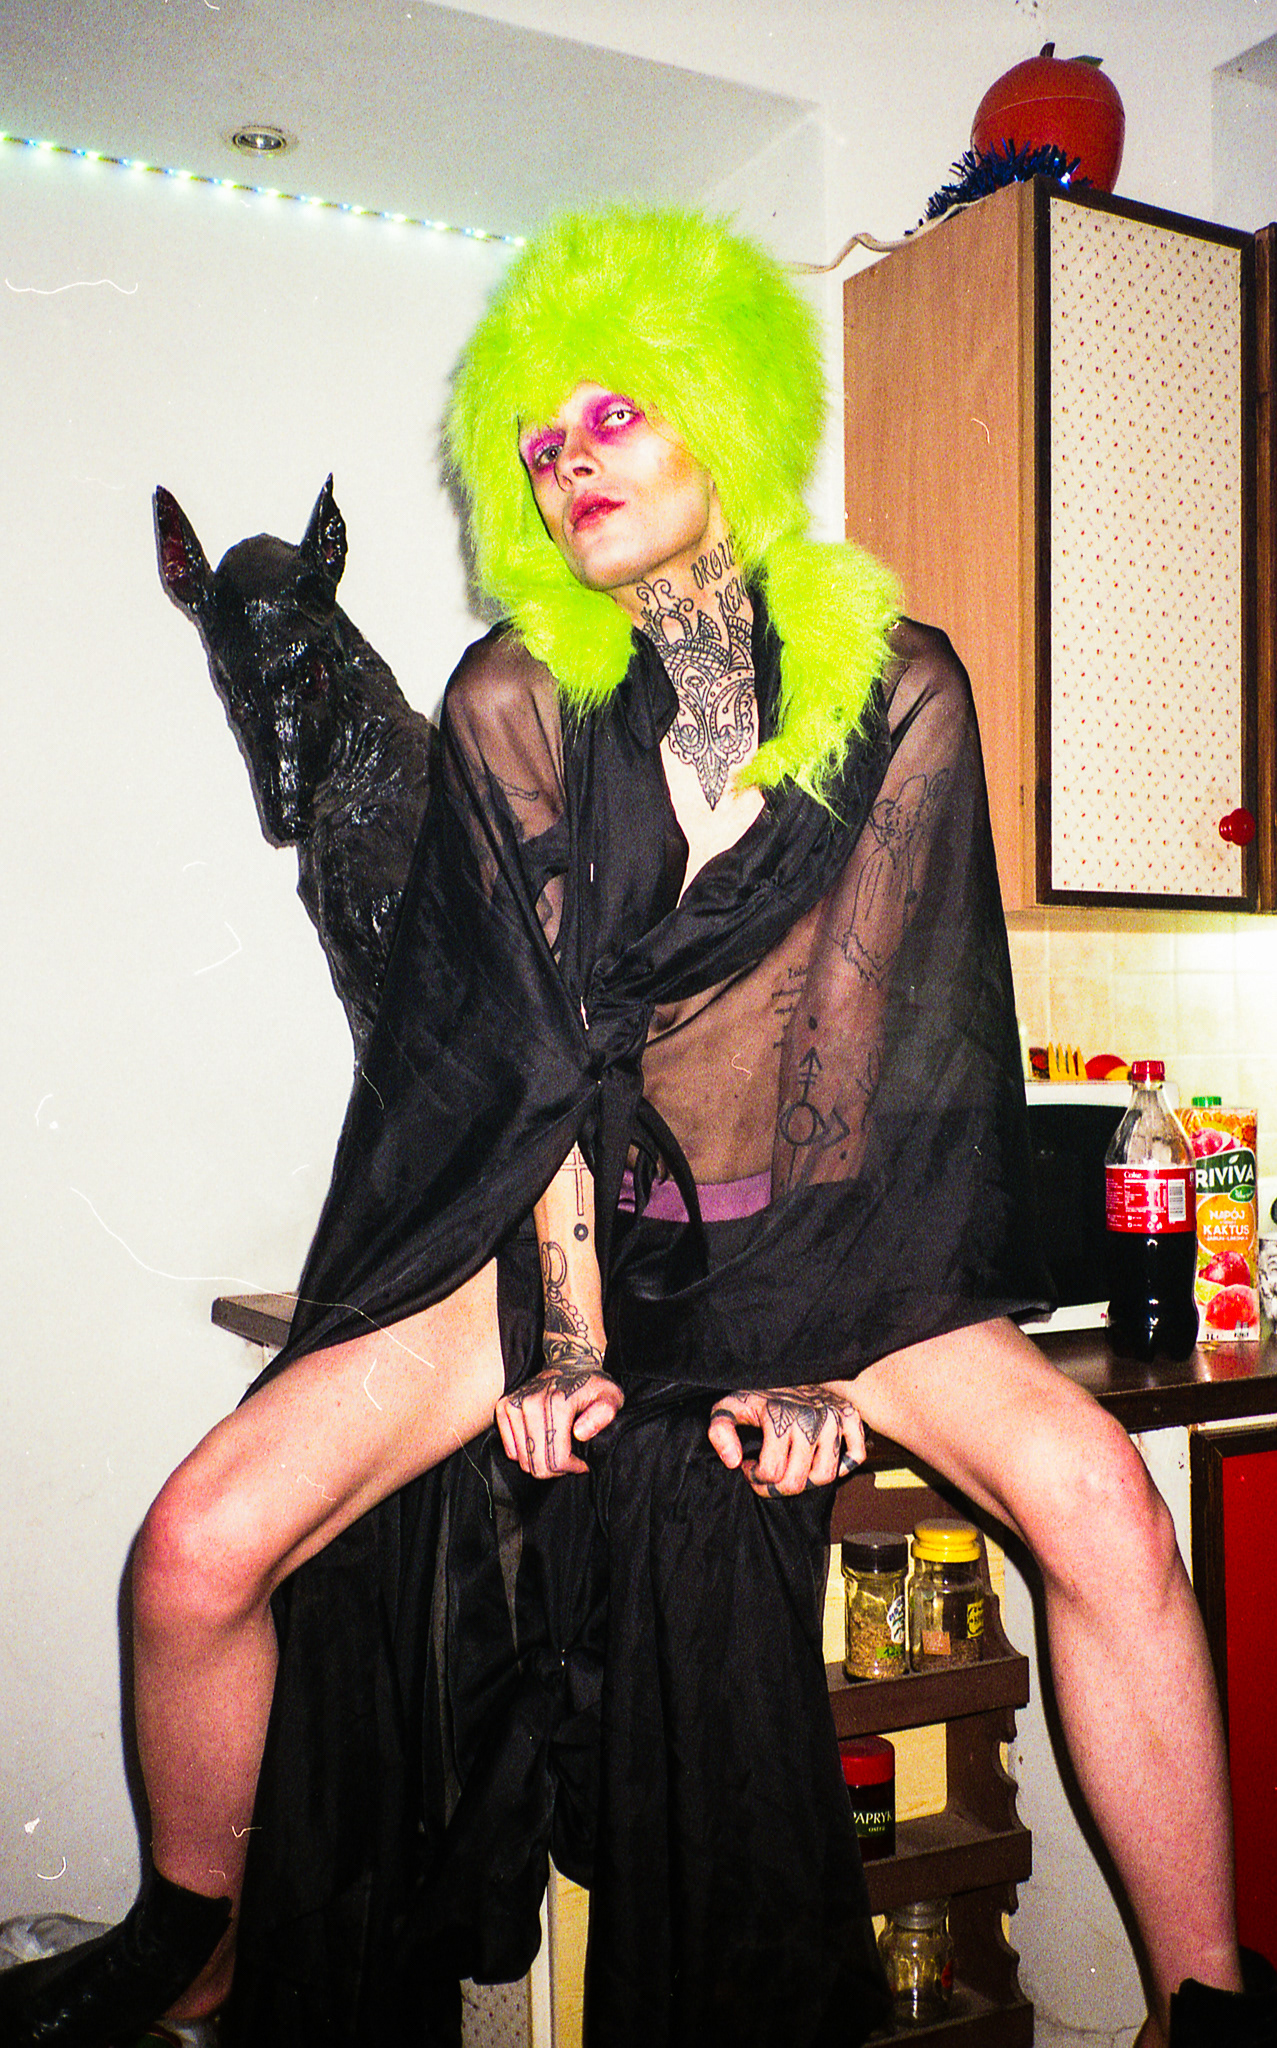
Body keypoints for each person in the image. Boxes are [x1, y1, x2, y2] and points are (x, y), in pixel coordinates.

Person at [2, 207, 1268, 2048]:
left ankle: (1203, 1995)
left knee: (1100, 1507)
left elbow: (863, 1060)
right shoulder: (511, 697)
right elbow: (539, 1072)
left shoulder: (896, 686)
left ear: (722, 409)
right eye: (538, 443)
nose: (567, 460)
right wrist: (578, 1345)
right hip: (554, 1232)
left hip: (821, 1243)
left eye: (611, 415)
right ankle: (198, 1925)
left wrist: (819, 1351)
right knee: (197, 1548)